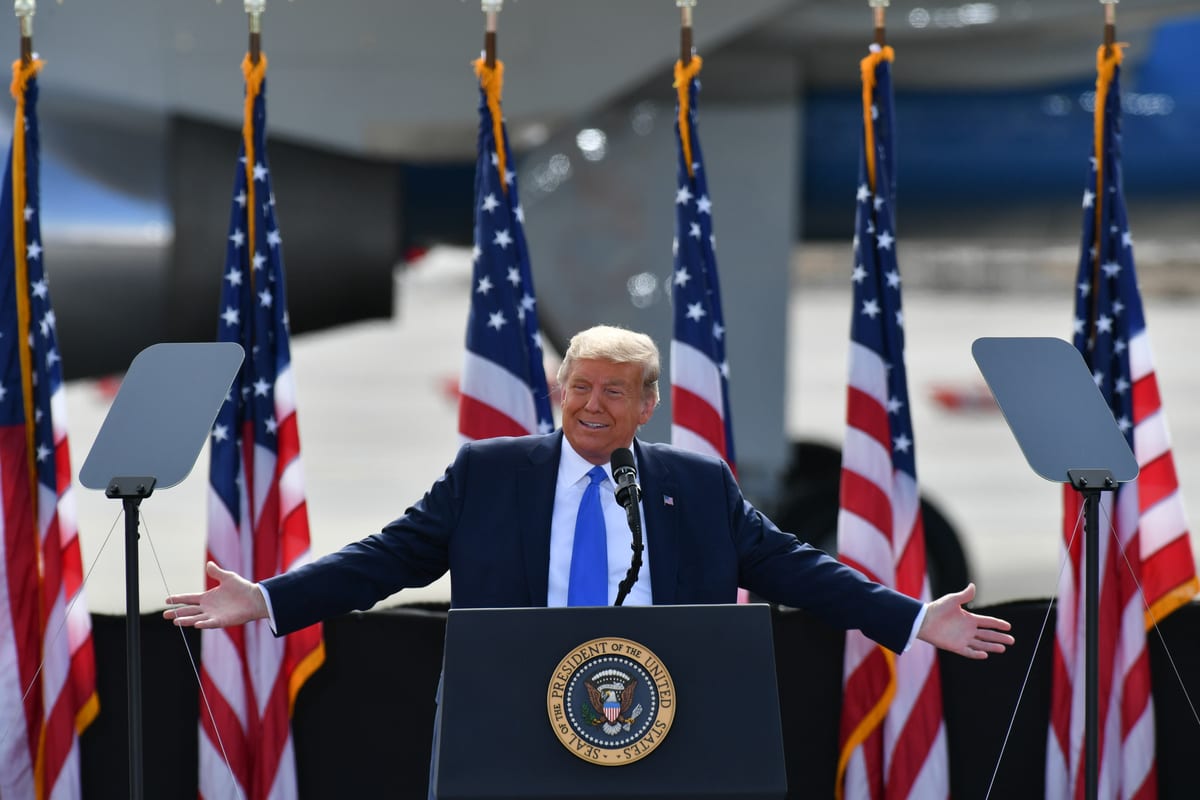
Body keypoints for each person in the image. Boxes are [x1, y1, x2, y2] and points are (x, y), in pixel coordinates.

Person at [165, 324, 1013, 661]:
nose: (592, 404)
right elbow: (385, 562)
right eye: (579, 386)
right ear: (558, 391)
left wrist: (912, 616)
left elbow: (796, 569)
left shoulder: (694, 485)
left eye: (615, 391)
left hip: (667, 708)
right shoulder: (488, 476)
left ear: (647, 406)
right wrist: (268, 599)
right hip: (512, 710)